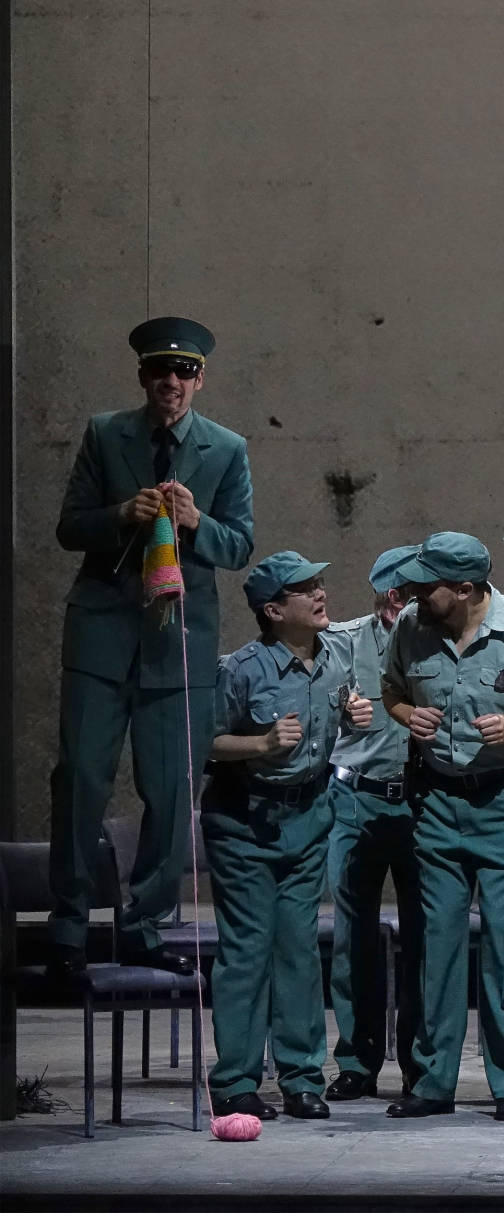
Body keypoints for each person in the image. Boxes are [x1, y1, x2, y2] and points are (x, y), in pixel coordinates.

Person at [49, 316, 255, 984]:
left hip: (179, 642)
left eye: (185, 371)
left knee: (170, 791)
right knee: (80, 779)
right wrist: (119, 515)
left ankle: (144, 926)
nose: (172, 381)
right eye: (161, 370)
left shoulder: (226, 448)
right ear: (143, 376)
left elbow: (239, 545)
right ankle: (67, 929)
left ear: (200, 380)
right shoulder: (106, 433)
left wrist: (196, 521)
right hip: (103, 635)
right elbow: (68, 527)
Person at [381, 531, 504, 1122]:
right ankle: (433, 1082)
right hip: (437, 802)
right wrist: (409, 715)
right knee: (437, 945)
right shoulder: (411, 625)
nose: (413, 595)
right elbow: (391, 689)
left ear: (465, 587)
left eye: (426, 587)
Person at [205, 552, 372, 1120]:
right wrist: (262, 744)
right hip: (246, 821)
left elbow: (336, 715)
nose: (321, 594)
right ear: (274, 611)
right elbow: (204, 743)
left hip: (309, 816)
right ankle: (235, 1082)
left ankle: (302, 1077)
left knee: (298, 949)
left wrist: (354, 716)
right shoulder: (242, 669)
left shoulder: (336, 656)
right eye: (305, 589)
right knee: (248, 951)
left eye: (320, 583)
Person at [322, 545, 421, 1103]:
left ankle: (420, 1065)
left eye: (409, 589)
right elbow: (303, 699)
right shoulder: (342, 641)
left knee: (425, 936)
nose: (397, 598)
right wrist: (338, 711)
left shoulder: (436, 640)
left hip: (420, 802)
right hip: (355, 798)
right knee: (352, 938)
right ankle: (357, 1062)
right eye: (390, 588)